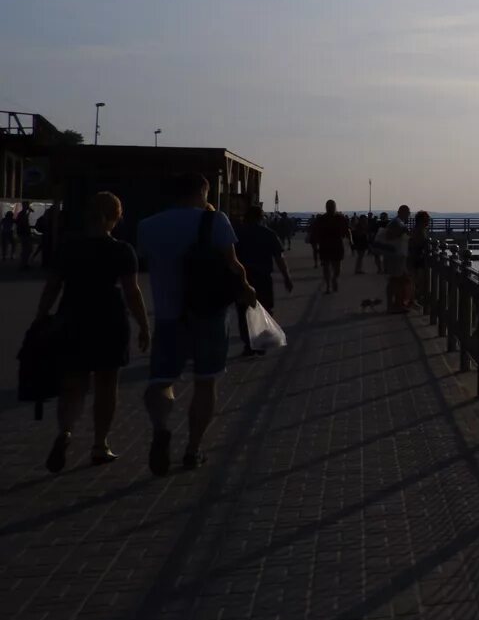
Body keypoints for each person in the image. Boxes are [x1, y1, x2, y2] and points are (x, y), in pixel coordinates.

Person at [138, 173, 257, 475]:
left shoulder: (147, 226)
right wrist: (246, 287)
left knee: (161, 381)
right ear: (203, 190)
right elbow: (233, 263)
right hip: (210, 314)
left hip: (167, 315)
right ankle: (193, 450)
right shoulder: (215, 221)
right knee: (206, 382)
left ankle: (161, 427)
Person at [35, 192, 149, 471]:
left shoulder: (68, 247)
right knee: (107, 385)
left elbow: (52, 286)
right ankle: (100, 445)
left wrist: (41, 318)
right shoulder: (122, 250)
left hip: (72, 316)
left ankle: (65, 432)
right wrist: (144, 325)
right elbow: (132, 292)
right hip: (109, 319)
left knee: (73, 383)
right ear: (117, 217)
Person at [232, 205, 292, 355]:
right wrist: (286, 277)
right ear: (261, 217)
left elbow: (230, 257)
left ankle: (248, 344)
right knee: (265, 308)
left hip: (243, 277)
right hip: (263, 277)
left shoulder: (237, 233)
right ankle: (261, 341)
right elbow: (279, 258)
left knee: (243, 311)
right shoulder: (268, 234)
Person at [309, 200, 350, 292]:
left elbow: (346, 230)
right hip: (327, 245)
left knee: (335, 267)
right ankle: (328, 285)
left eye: (331, 206)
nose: (330, 208)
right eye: (329, 206)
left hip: (334, 244)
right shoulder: (322, 219)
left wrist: (350, 239)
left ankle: (333, 280)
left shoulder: (340, 218)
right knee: (328, 266)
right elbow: (315, 232)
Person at [377, 206, 410, 312]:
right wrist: (402, 232)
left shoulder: (397, 222)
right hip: (395, 257)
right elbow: (390, 237)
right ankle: (394, 305)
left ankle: (396, 304)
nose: (409, 215)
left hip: (396, 256)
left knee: (399, 280)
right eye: (407, 212)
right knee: (396, 280)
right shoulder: (396, 222)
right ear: (402, 212)